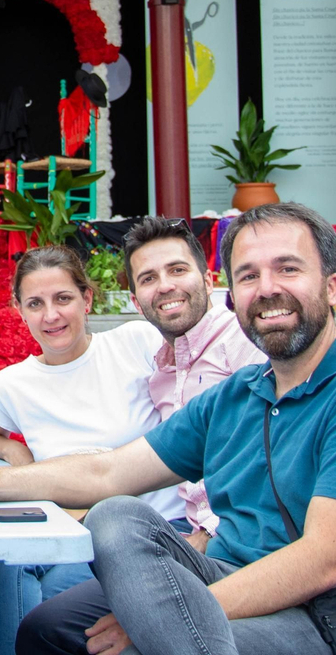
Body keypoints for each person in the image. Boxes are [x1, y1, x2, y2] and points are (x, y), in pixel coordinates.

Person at [0, 203, 336, 655]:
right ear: (232, 292)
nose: (267, 289)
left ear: (331, 285)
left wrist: (159, 618)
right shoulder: (241, 392)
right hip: (227, 571)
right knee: (100, 541)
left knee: (143, 646)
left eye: (288, 269)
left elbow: (323, 562)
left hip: (332, 614)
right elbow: (110, 472)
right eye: (248, 276)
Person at [0, 245, 183, 655]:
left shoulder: (135, 343)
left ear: (87, 299)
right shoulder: (13, 385)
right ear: (19, 309)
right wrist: (15, 453)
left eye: (63, 299)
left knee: (49, 601)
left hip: (144, 533)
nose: (50, 316)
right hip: (63, 531)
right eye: (35, 303)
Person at [121, 217, 265, 550]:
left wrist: (208, 534)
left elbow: (268, 458)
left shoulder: (244, 343)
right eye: (148, 278)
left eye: (177, 270)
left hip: (243, 539)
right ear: (135, 301)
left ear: (209, 280)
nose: (165, 285)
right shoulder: (161, 376)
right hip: (186, 529)